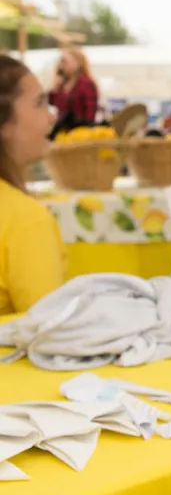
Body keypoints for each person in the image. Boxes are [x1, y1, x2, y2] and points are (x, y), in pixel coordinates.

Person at [0, 56, 67, 315]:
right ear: (4, 124)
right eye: (39, 104)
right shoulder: (25, 219)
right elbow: (49, 334)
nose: (51, 116)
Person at [48, 47, 99, 137]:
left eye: (65, 61)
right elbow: (53, 104)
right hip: (64, 132)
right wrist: (55, 88)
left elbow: (90, 113)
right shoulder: (62, 83)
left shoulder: (86, 83)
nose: (61, 65)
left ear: (78, 63)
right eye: (61, 62)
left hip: (81, 133)